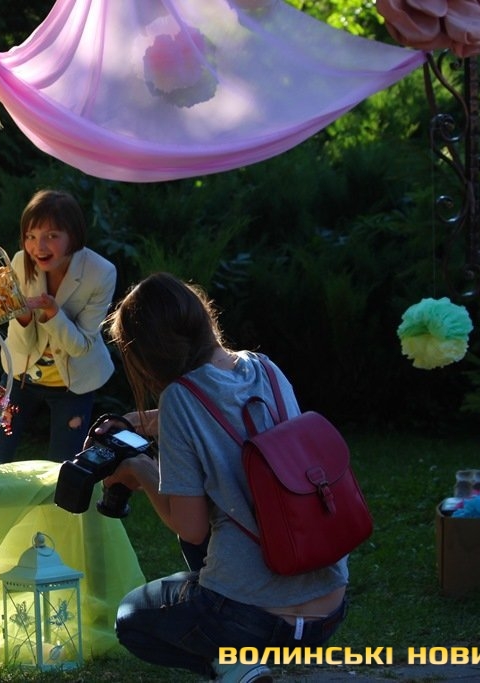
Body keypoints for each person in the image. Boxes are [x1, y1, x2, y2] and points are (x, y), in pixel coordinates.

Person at [99, 273, 348, 683]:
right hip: (328, 606)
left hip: (252, 620)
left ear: (146, 355)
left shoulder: (179, 398)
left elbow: (191, 529)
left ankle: (234, 665)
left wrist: (138, 469)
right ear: (201, 316)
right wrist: (140, 422)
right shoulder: (264, 368)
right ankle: (245, 663)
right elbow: (228, 415)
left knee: (131, 619)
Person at [0, 189, 116, 465]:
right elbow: (21, 342)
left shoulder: (101, 273)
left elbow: (81, 346)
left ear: (74, 235)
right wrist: (21, 316)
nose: (39, 247)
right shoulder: (19, 262)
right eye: (31, 236)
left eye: (52, 236)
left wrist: (53, 312)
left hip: (74, 381)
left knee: (64, 466)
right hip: (21, 371)